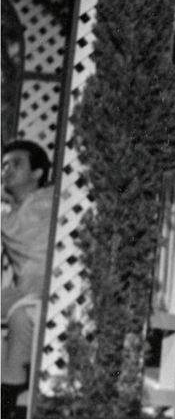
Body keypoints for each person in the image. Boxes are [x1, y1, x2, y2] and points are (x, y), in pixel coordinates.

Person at [2, 139, 55, 419]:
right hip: (24, 290)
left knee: (21, 315)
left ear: (37, 173)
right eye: (4, 165)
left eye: (16, 164)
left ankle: (7, 396)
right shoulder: (21, 206)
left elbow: (23, 234)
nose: (6, 171)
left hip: (47, 291)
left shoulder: (47, 202)